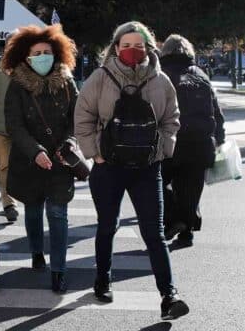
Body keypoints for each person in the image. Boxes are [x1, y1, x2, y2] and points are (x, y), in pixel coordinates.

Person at [74, 21, 189, 320]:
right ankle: (103, 279)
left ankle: (169, 295)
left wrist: (163, 150)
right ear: (115, 48)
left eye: (138, 45)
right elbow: (83, 115)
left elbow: (171, 118)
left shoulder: (161, 80)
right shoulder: (100, 78)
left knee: (154, 233)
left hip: (147, 169)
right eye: (125, 46)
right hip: (108, 167)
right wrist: (93, 154)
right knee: (107, 226)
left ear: (149, 47)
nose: (132, 51)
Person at [1, 25, 79, 293]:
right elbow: (14, 124)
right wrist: (35, 152)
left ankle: (58, 270)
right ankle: (36, 251)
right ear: (26, 57)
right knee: (33, 212)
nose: (43, 56)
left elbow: (76, 119)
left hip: (60, 161)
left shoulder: (67, 82)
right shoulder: (17, 85)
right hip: (29, 161)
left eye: (47, 52)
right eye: (37, 53)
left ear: (57, 53)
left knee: (58, 215)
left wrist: (70, 142)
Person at [159, 34, 225, 247]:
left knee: (158, 184)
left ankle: (174, 219)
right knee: (191, 189)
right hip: (201, 143)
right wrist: (219, 140)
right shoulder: (202, 76)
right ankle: (187, 231)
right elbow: (216, 113)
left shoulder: (161, 76)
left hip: (171, 142)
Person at [0, 33, 20, 222]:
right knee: (4, 164)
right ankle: (8, 202)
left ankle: (20, 194)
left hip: (22, 129)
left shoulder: (28, 67)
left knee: (20, 165)